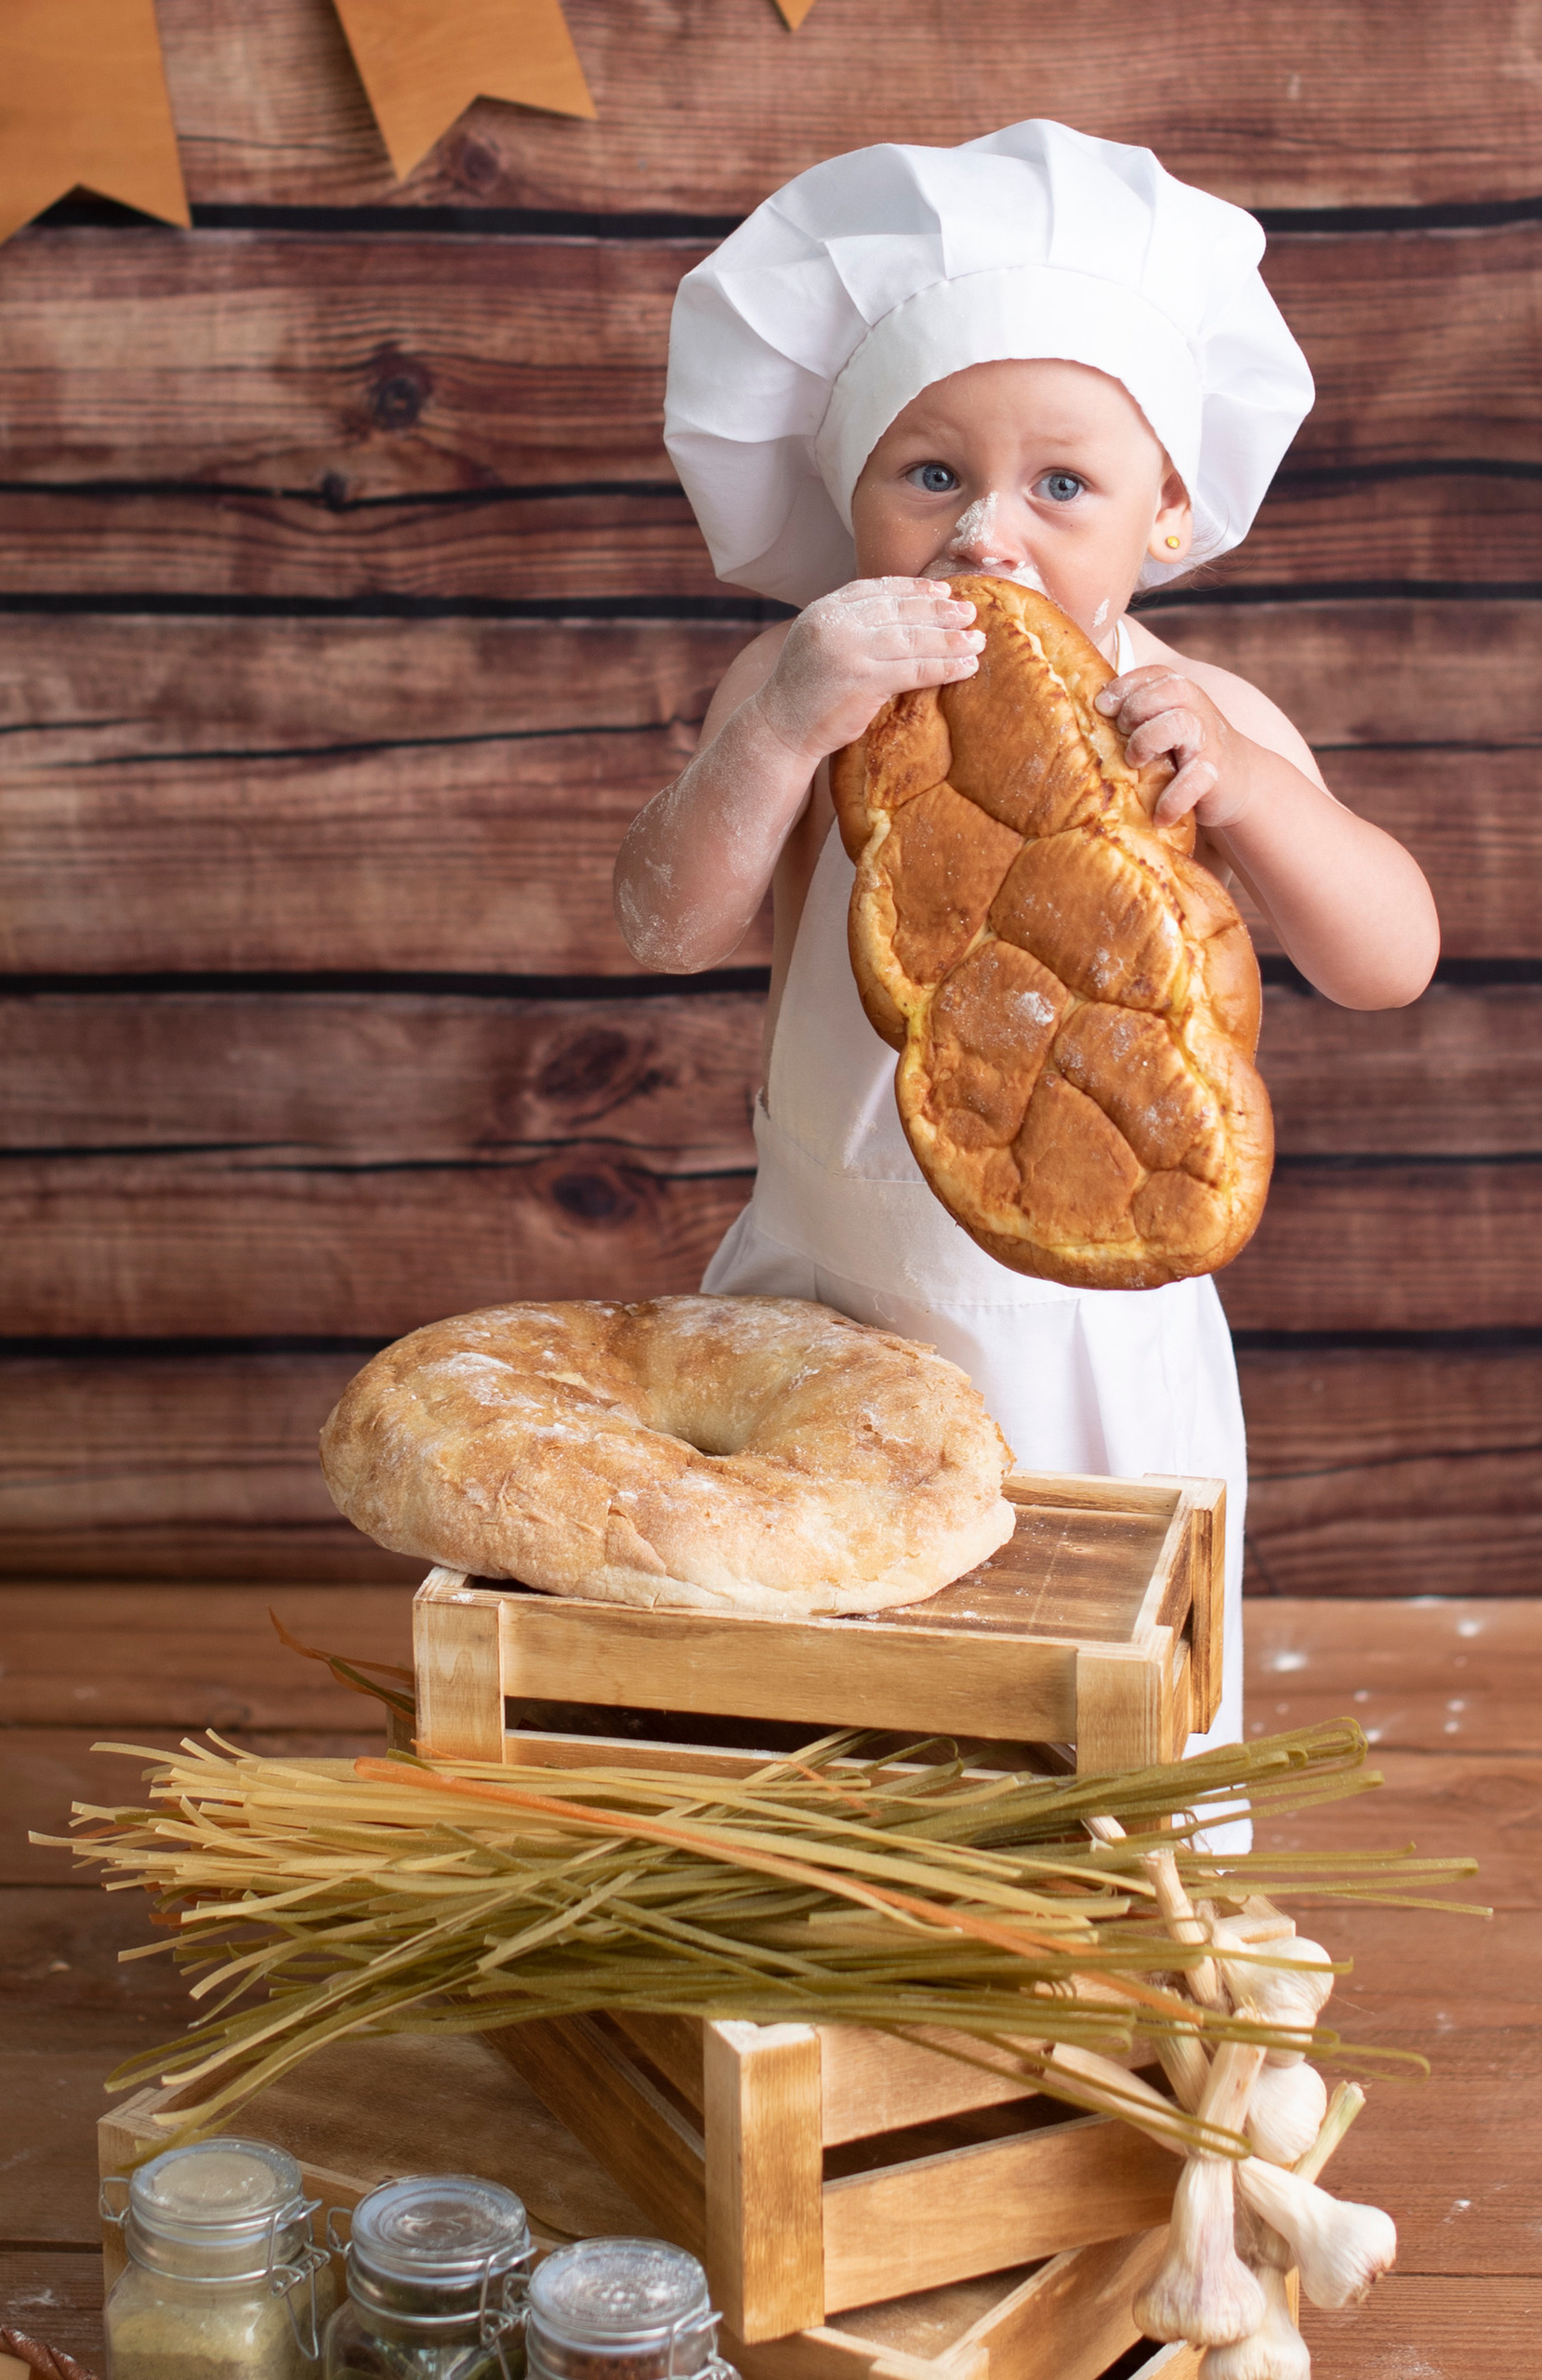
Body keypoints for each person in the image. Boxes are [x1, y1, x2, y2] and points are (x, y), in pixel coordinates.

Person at [619, 124, 1438, 1794]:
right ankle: (828, 1948)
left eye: (1061, 485)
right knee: (823, 1714)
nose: (990, 534)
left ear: (1171, 506)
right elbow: (669, 920)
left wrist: (1256, 792)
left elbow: (1389, 960)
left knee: (1097, 1714)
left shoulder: (1199, 711)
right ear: (842, 498)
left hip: (1093, 1340)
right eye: (930, 476)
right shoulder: (804, 695)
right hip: (828, 1308)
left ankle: (1121, 1941)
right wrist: (776, 732)